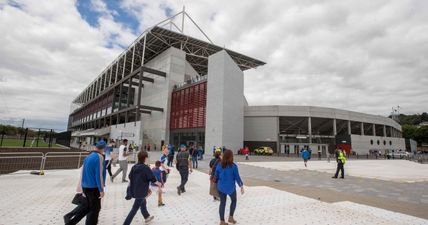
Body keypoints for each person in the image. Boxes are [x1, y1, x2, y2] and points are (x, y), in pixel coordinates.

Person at [64, 140, 106, 225]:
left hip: (86, 186)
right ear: (103, 148)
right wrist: (101, 189)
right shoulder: (99, 157)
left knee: (87, 207)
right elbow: (99, 175)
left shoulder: (88, 156)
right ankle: (70, 219)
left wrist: (82, 186)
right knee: (94, 209)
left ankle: (70, 219)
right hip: (93, 188)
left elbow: (83, 172)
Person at [124, 151, 161, 225]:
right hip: (141, 192)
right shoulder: (145, 168)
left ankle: (146, 217)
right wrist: (159, 183)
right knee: (134, 209)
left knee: (143, 202)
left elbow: (129, 177)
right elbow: (152, 178)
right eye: (147, 157)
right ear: (145, 158)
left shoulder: (134, 167)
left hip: (134, 190)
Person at [214, 149, 244, 225]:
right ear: (231, 157)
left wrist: (216, 182)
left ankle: (222, 221)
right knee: (234, 200)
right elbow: (237, 177)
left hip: (221, 187)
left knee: (222, 203)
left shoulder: (219, 165)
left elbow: (216, 176)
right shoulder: (233, 166)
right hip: (231, 188)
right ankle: (230, 217)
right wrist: (241, 186)